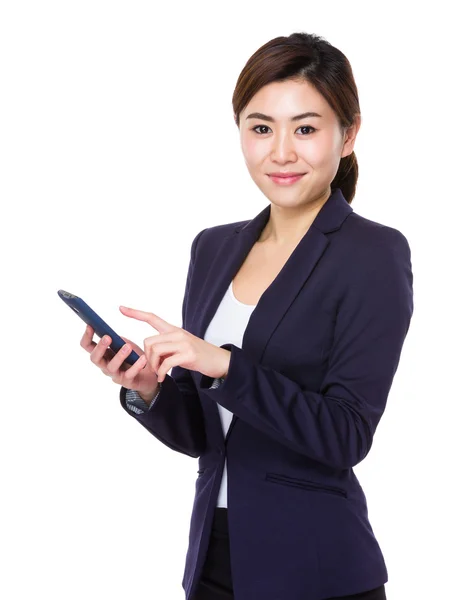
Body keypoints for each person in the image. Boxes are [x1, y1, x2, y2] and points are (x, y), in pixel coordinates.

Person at [81, 32, 413, 600]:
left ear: (349, 133)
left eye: (305, 128)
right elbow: (208, 437)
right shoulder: (212, 248)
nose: (281, 152)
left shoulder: (372, 254)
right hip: (213, 560)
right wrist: (149, 389)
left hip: (316, 571)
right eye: (261, 128)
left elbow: (347, 435)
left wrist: (226, 367)